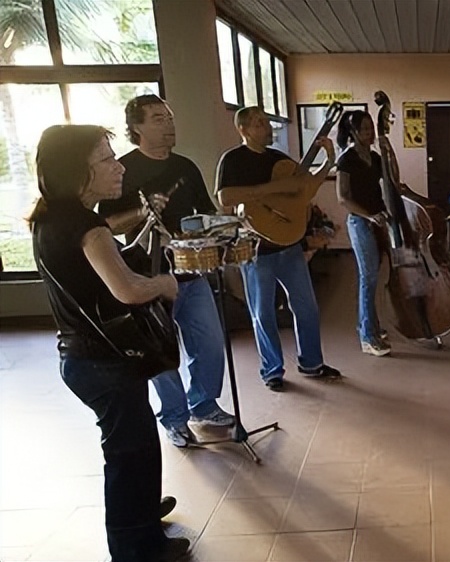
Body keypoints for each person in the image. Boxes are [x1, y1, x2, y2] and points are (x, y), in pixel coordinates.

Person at [30, 124, 188, 561]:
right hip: (104, 361)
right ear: (77, 170)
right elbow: (128, 291)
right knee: (128, 453)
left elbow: (98, 273)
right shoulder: (87, 224)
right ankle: (135, 545)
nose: (117, 166)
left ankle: (139, 511)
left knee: (135, 444)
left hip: (83, 356)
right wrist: (164, 283)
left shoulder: (50, 217)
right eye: (105, 158)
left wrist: (141, 241)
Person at [98, 94, 234, 448]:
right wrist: (142, 213)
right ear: (136, 127)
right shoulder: (123, 170)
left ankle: (204, 406)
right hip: (148, 274)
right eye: (158, 118)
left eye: (169, 117)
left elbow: (205, 210)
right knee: (161, 351)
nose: (168, 124)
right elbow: (107, 225)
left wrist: (226, 228)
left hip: (191, 270)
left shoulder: (185, 167)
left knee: (209, 341)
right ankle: (174, 418)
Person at [216, 106, 340, 391]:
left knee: (307, 308)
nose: (268, 127)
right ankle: (272, 370)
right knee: (263, 313)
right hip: (257, 249)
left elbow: (304, 189)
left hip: (289, 245)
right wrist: (269, 189)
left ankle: (311, 363)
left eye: (267, 122)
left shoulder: (279, 159)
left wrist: (328, 161)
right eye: (260, 123)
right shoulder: (233, 160)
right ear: (243, 130)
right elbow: (225, 197)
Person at [335, 110, 391, 357]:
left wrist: (388, 151)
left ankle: (370, 325)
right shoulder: (346, 160)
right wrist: (369, 216)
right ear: (354, 132)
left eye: (372, 129)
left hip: (378, 221)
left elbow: (394, 180)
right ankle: (367, 337)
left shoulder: (375, 157)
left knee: (373, 276)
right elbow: (343, 198)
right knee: (368, 278)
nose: (371, 133)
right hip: (360, 223)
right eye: (365, 129)